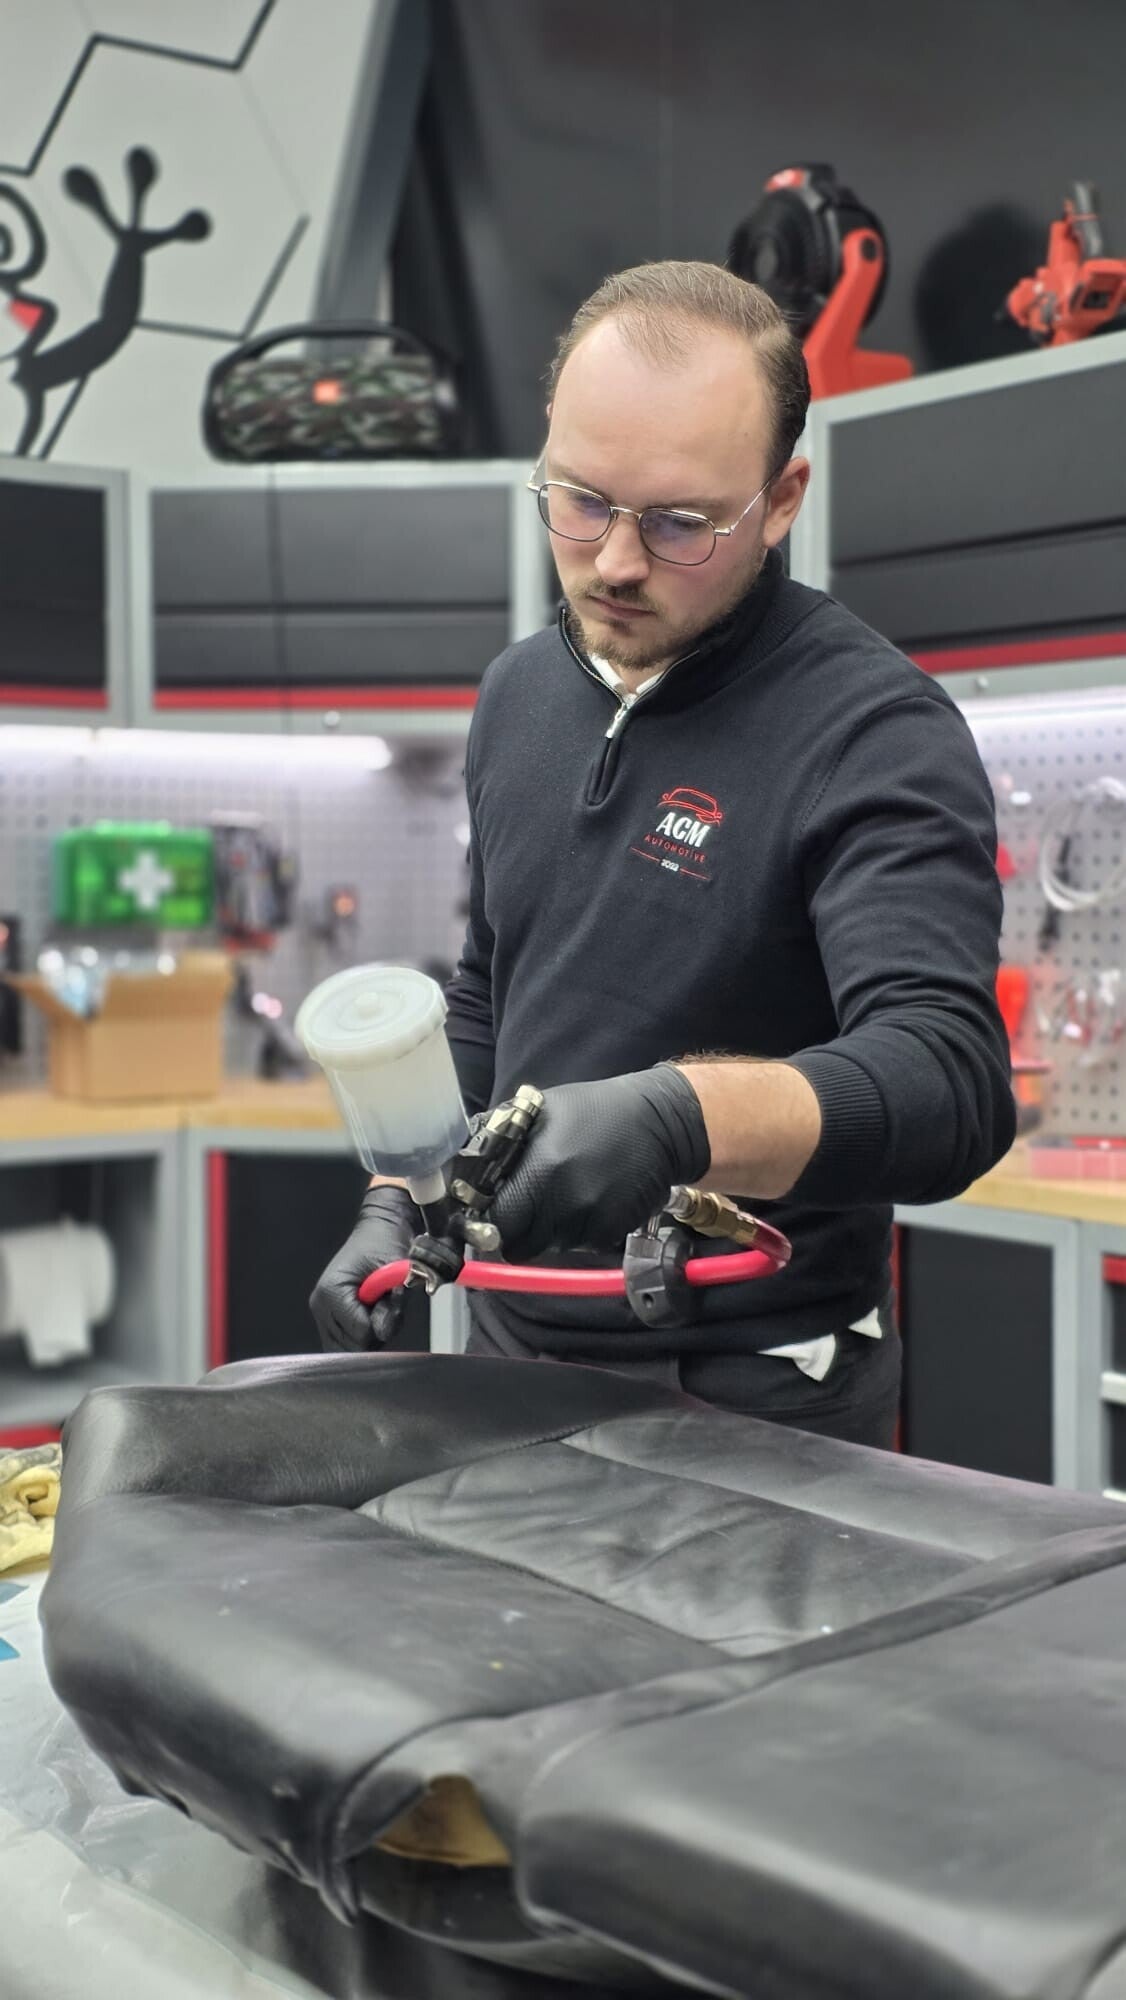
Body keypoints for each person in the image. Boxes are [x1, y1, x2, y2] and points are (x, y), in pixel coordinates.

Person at [311, 260, 1015, 1448]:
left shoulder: (872, 730)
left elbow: (948, 1083)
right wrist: (403, 1191)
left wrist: (680, 1116)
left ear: (780, 499)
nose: (615, 562)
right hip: (510, 1348)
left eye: (679, 521)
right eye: (580, 500)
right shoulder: (518, 694)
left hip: (757, 1387)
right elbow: (491, 989)